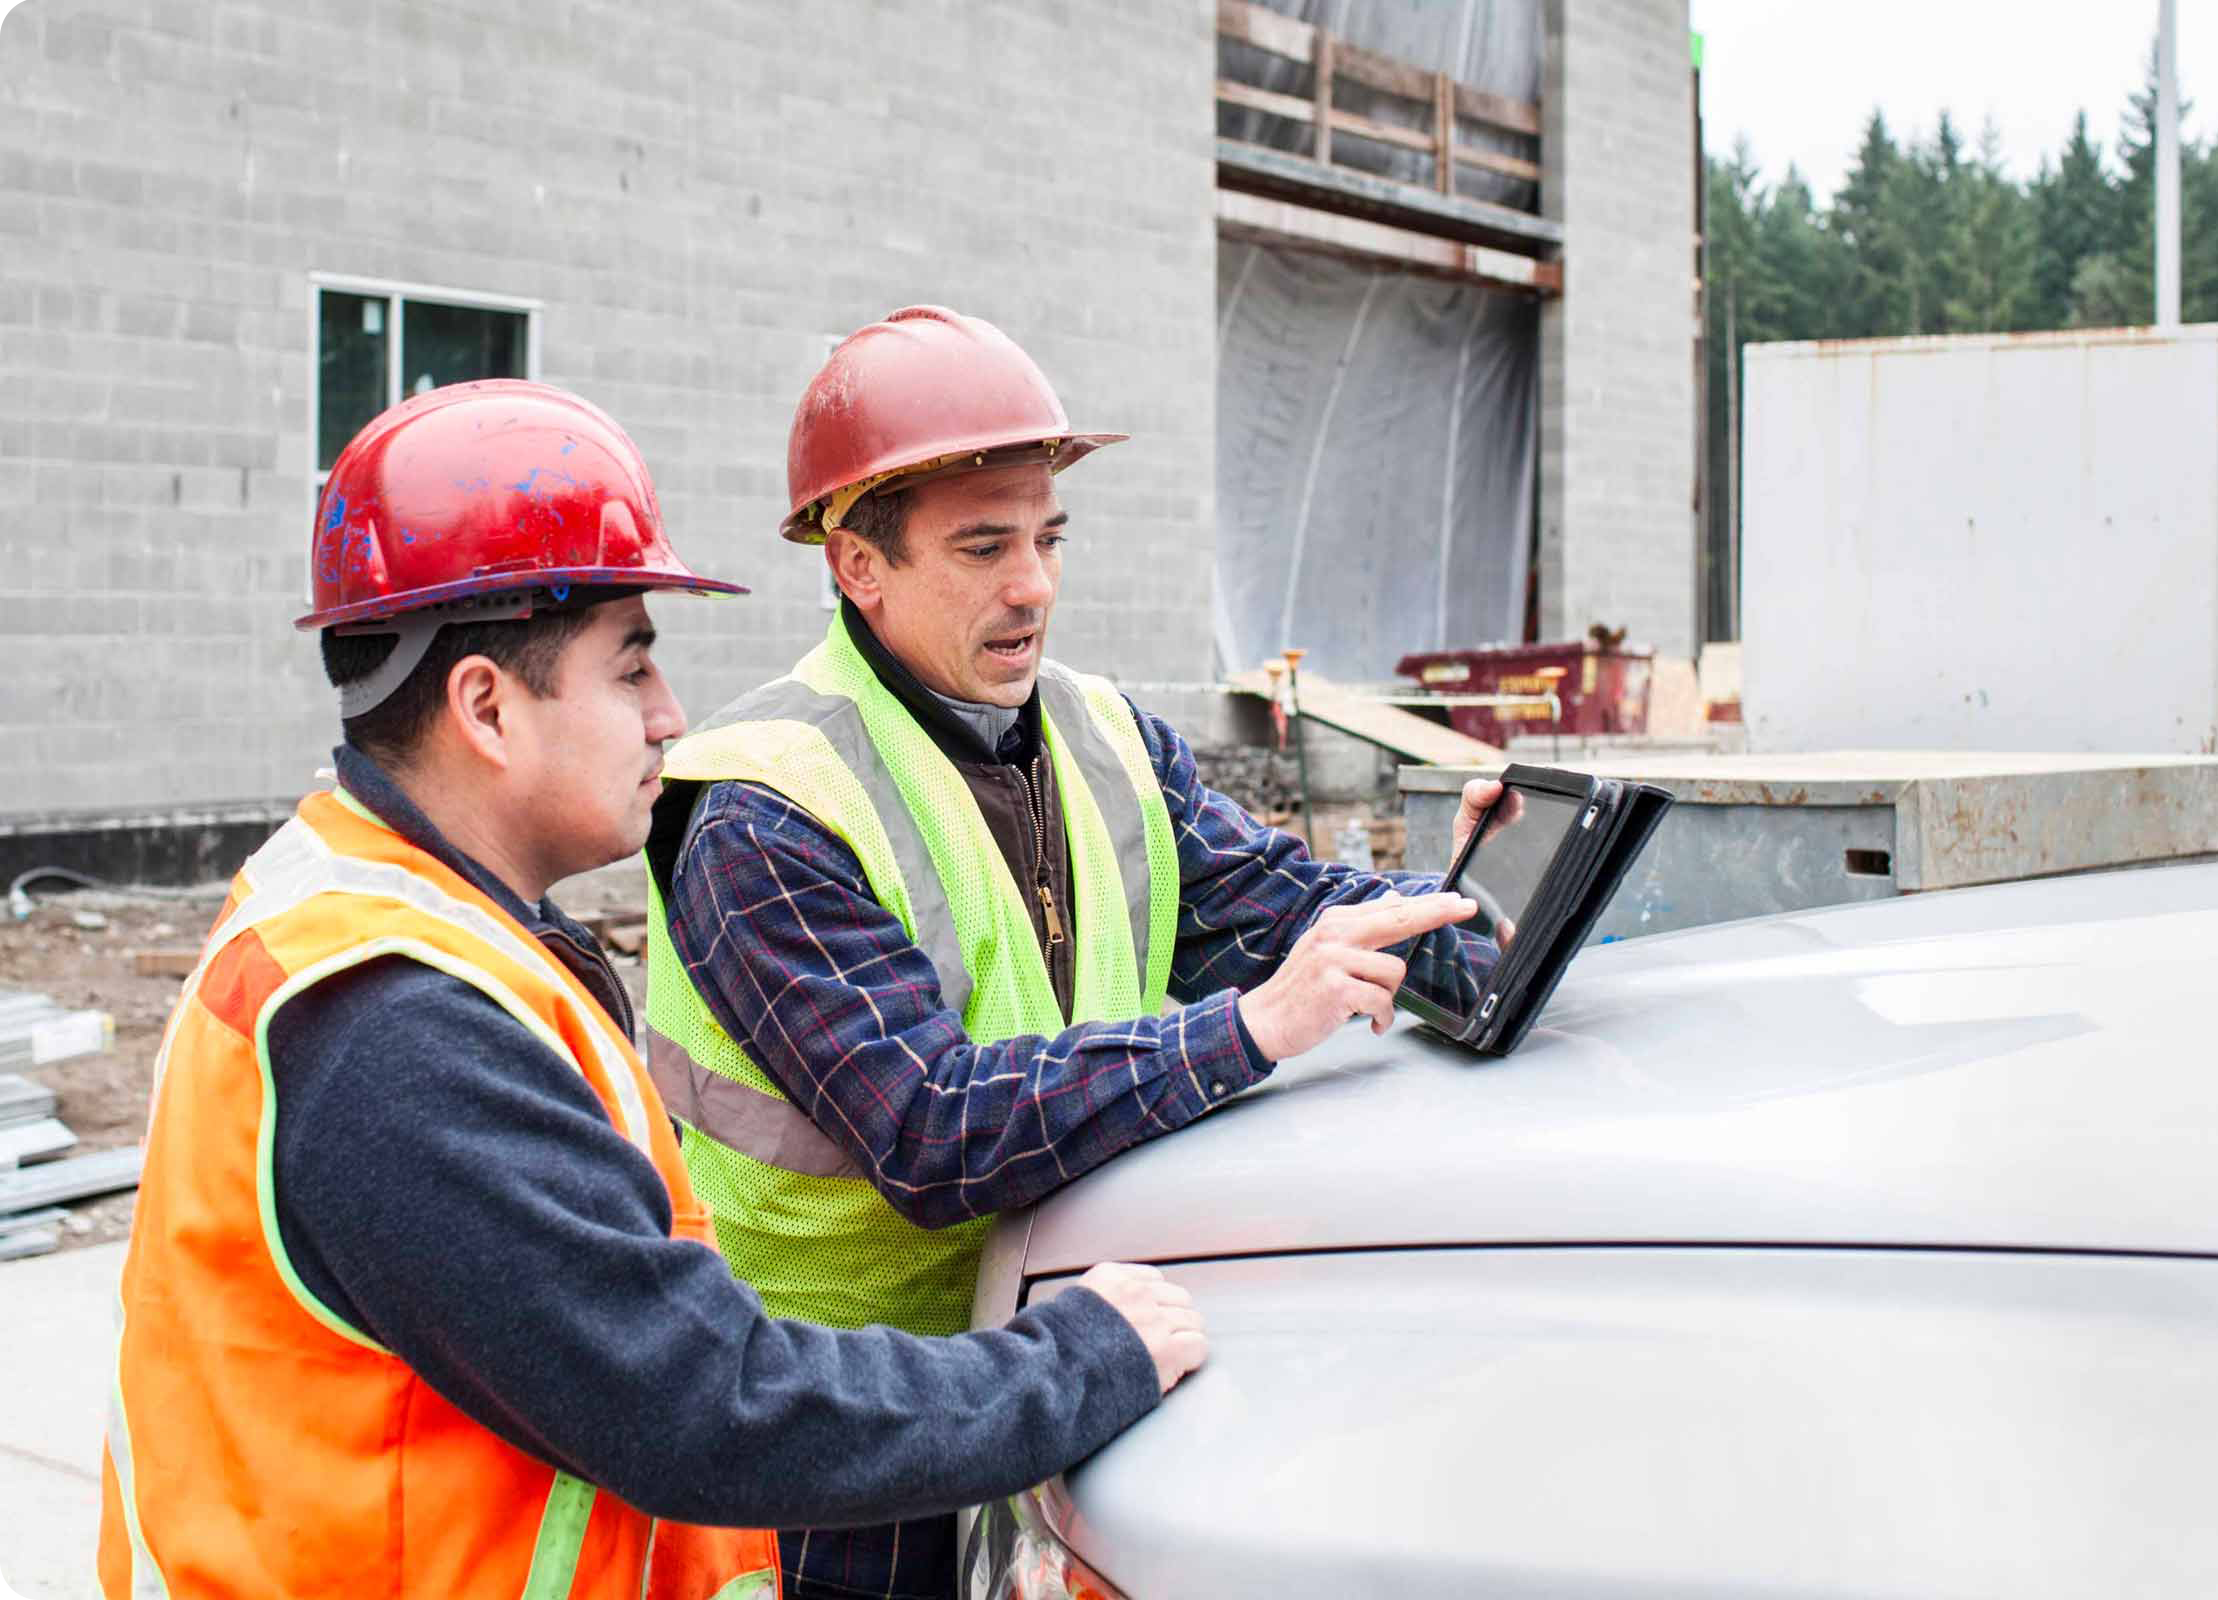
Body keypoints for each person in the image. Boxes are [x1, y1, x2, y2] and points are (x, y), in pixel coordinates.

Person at [97, 380, 1205, 1600]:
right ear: (485, 707)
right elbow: (706, 1404)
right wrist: (1081, 1361)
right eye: (632, 671)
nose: (670, 717)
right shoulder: (394, 1029)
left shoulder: (415, 924)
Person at [644, 306, 1496, 1600]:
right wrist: (1252, 1029)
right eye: (982, 547)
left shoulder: (1104, 736)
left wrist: (1475, 922)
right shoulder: (762, 812)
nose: (1033, 584)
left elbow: (1282, 906)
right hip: (850, 1428)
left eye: (1047, 538)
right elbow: (930, 1129)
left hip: (1069, 1344)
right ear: (858, 568)